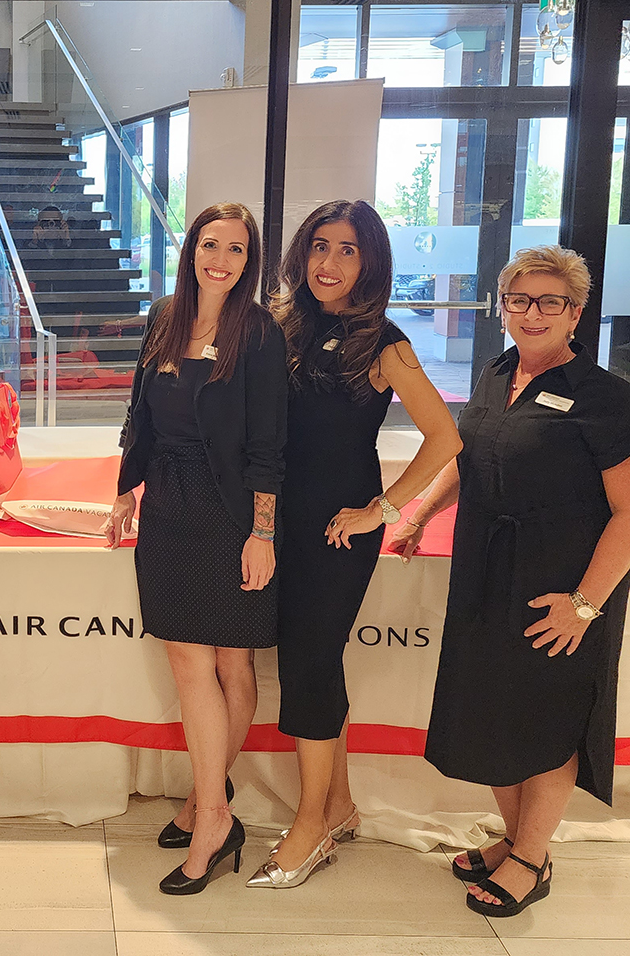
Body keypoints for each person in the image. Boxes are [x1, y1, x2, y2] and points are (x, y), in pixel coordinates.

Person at [394, 245, 630, 918]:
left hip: (561, 587)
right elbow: (467, 454)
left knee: (545, 722)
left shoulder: (607, 398)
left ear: (575, 313)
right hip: (485, 571)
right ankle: (516, 837)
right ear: (502, 308)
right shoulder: (497, 373)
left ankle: (531, 857)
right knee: (488, 714)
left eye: (551, 301)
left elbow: (629, 512)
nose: (533, 313)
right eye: (519, 300)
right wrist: (421, 515)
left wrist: (585, 605)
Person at [250, 199, 460, 891]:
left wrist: (383, 511)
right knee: (311, 662)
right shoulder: (283, 323)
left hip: (337, 531)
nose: (330, 262)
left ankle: (311, 826)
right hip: (277, 521)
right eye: (320, 246)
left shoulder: (384, 342)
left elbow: (445, 438)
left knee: (309, 665)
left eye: (347, 250)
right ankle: (337, 805)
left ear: (369, 262)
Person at [106, 202, 287, 896]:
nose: (221, 259)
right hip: (168, 506)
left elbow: (269, 444)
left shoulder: (259, 332)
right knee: (194, 662)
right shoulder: (164, 316)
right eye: (211, 244)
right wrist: (125, 491)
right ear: (192, 249)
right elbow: (140, 414)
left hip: (229, 510)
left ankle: (210, 813)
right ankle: (208, 805)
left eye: (236, 249)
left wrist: (262, 533)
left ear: (249, 260)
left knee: (228, 663)